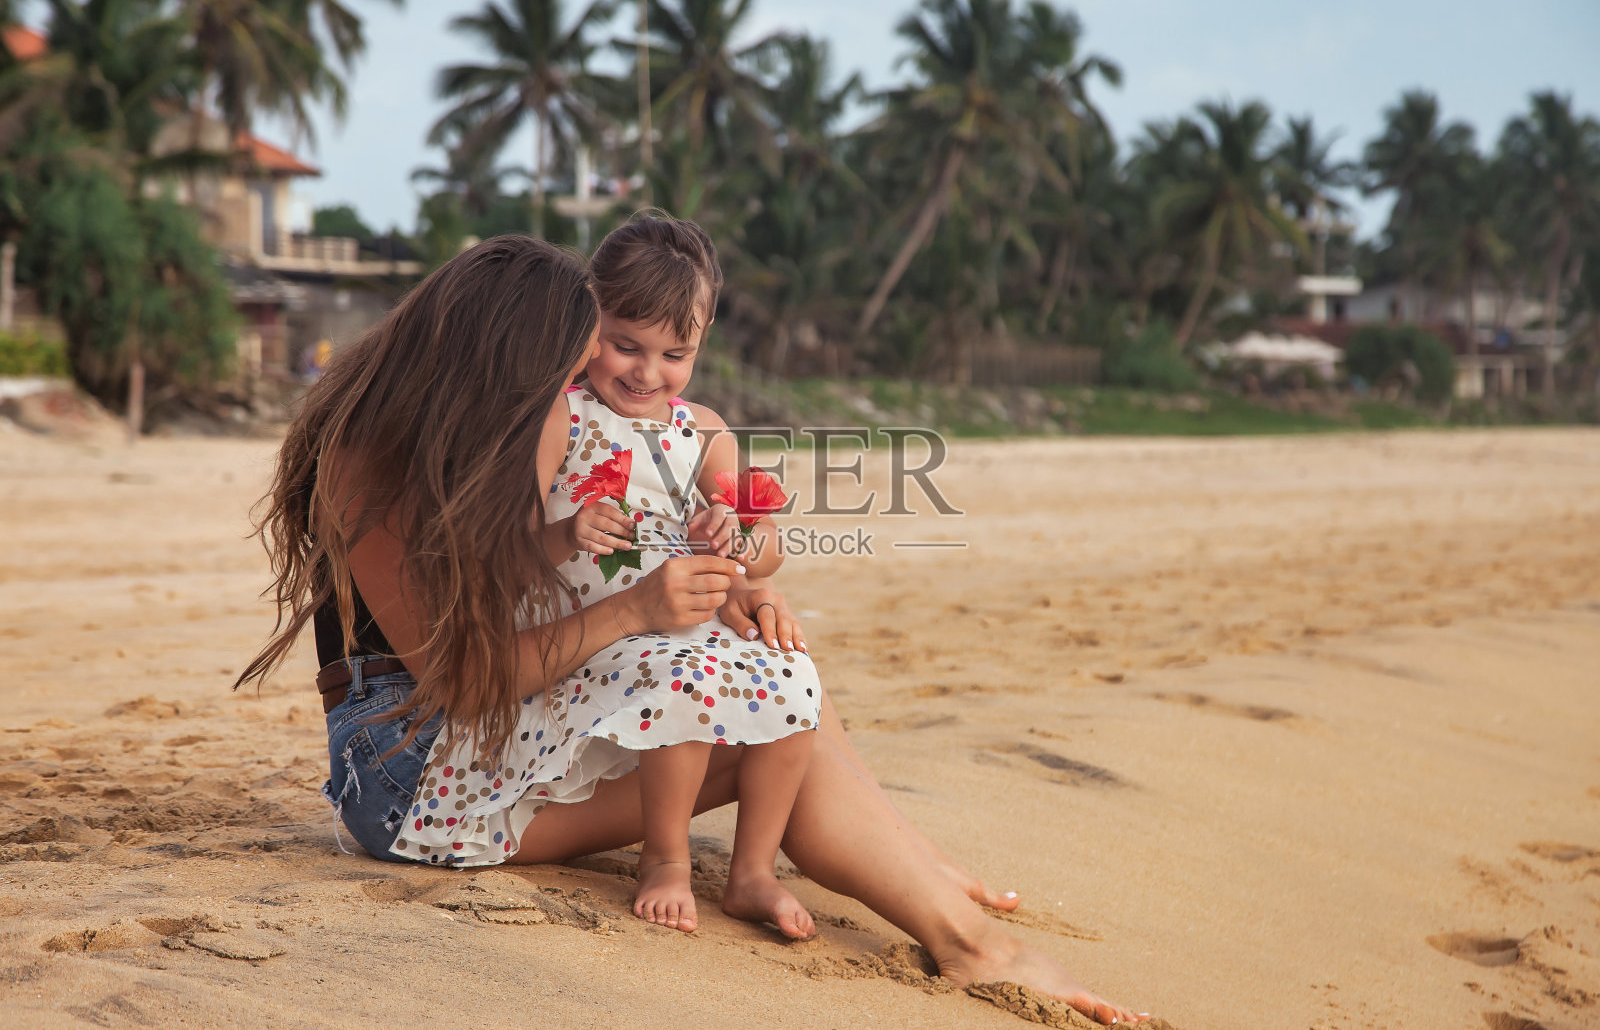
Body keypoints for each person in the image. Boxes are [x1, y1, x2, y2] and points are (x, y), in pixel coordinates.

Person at [238, 234, 1146, 1026]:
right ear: (497, 366)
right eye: (573, 365)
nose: (585, 389)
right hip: (410, 779)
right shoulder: (370, 457)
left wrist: (727, 589)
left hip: (492, 725)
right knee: (760, 717)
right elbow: (463, 679)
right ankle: (965, 933)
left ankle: (924, 875)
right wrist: (636, 609)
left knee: (764, 664)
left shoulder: (516, 427)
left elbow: (589, 567)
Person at [415, 215, 819, 938]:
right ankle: (664, 858)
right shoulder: (562, 418)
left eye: (674, 353)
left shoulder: (703, 430)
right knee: (685, 673)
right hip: (576, 644)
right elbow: (503, 547)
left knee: (792, 674)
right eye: (624, 343)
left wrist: (739, 534)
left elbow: (766, 545)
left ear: (701, 341)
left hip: (671, 625)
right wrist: (565, 533)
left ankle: (752, 870)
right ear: (588, 311)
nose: (645, 371)